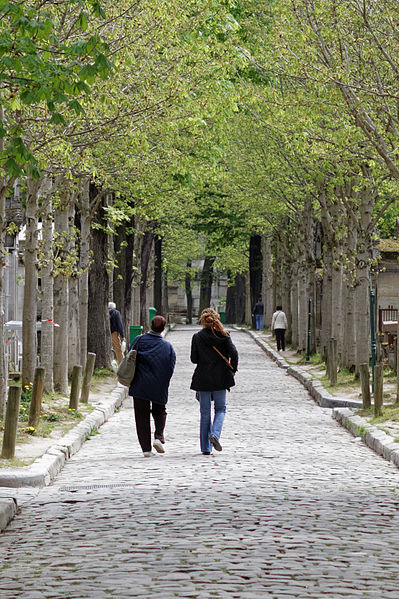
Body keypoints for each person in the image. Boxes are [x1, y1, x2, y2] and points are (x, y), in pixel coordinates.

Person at [190, 308, 238, 455]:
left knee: (205, 413)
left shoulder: (197, 337)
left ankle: (205, 447)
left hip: (203, 378)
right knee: (221, 409)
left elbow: (194, 359)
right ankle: (215, 434)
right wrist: (232, 370)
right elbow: (234, 354)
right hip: (221, 378)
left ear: (203, 321)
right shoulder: (224, 335)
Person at [129, 315, 176, 457]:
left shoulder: (139, 340)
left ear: (151, 325)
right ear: (163, 328)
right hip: (159, 385)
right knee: (160, 411)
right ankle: (158, 437)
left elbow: (130, 357)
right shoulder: (167, 346)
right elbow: (171, 366)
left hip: (140, 384)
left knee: (141, 416)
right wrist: (164, 382)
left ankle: (146, 449)